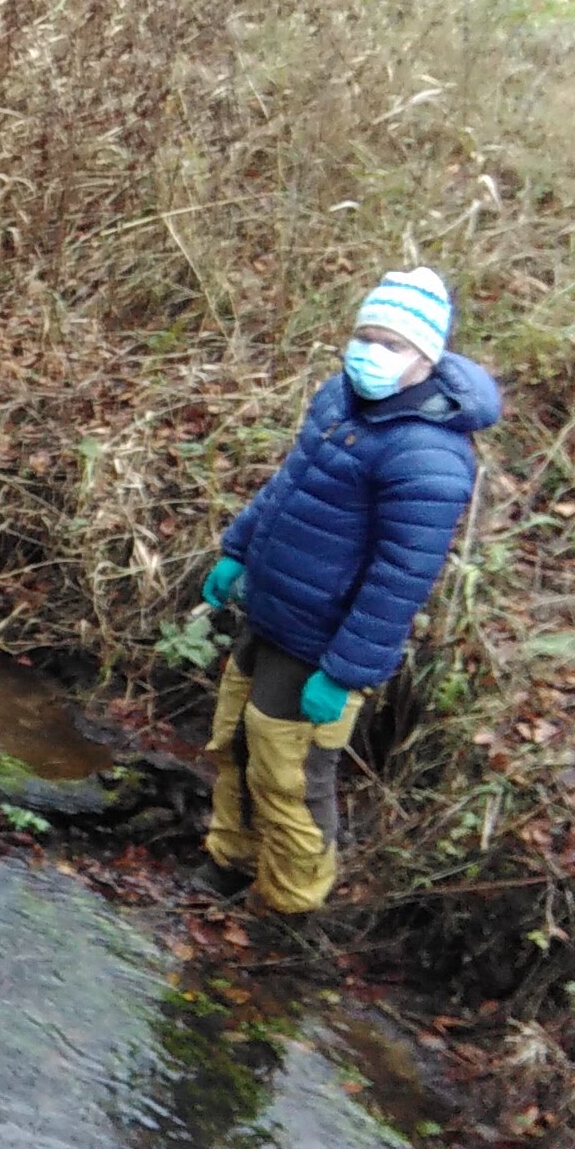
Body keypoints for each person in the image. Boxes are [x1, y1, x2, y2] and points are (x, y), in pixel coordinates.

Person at [198, 267, 500, 917]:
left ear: (427, 355)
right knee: (237, 742)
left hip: (324, 642)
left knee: (291, 774)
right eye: (366, 335)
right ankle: (230, 862)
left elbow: (401, 580)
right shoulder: (340, 400)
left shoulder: (430, 455)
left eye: (391, 343)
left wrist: (344, 673)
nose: (371, 352)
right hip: (272, 611)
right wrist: (238, 548)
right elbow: (289, 486)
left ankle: (291, 908)